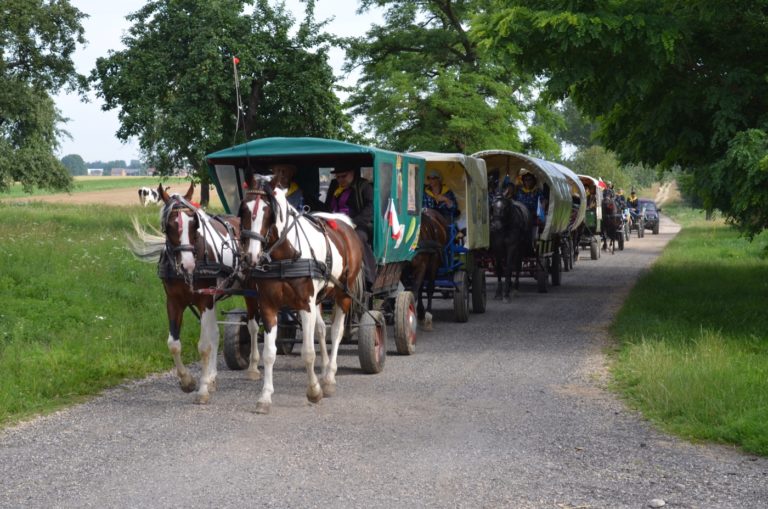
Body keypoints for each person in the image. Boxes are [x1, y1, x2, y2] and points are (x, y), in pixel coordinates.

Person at [323, 166, 376, 287]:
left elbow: (371, 207)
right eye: (338, 177)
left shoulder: (364, 186)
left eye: (344, 176)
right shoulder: (334, 186)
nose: (340, 180)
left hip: (360, 225)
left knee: (358, 237)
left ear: (352, 173)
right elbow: (327, 206)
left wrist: (354, 222)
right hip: (335, 223)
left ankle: (369, 277)